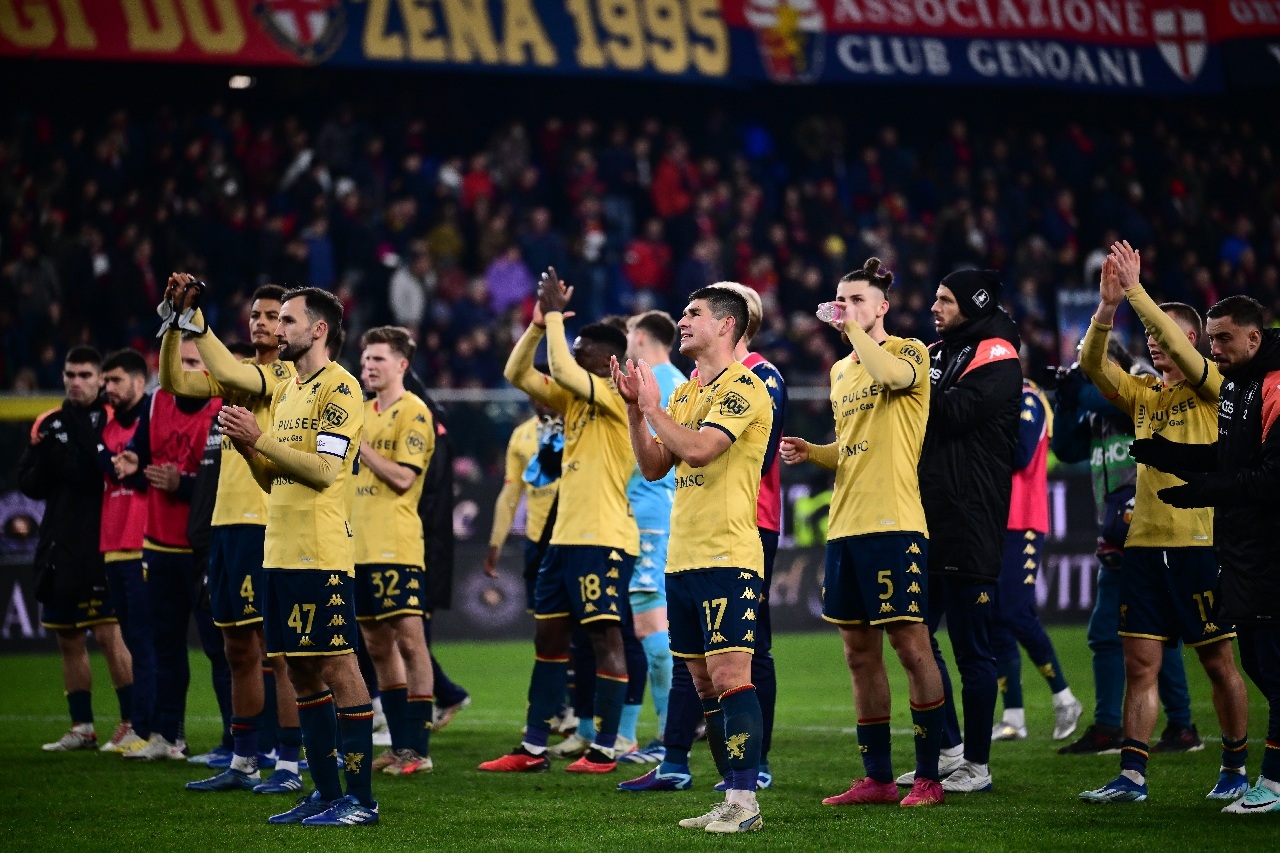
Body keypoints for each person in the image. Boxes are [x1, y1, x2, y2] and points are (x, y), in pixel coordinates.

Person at [1078, 243, 1250, 804]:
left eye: (1164, 333)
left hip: (1198, 543)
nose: (1153, 340)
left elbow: (1175, 340)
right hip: (1145, 547)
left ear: (1192, 340)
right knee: (1140, 662)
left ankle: (1234, 767)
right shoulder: (1146, 395)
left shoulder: (1213, 388)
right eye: (1149, 334)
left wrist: (1136, 292)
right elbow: (1091, 365)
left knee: (1218, 660)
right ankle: (1131, 776)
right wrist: (1107, 309)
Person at [777, 259, 946, 809]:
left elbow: (892, 380)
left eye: (856, 299)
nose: (845, 306)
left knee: (911, 646)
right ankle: (878, 777)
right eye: (840, 298)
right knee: (858, 653)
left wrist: (851, 330)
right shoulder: (840, 372)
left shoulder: (909, 352)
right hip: (845, 527)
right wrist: (815, 451)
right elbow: (852, 449)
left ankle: (928, 776)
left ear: (882, 307)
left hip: (895, 523)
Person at [614, 285, 772, 833]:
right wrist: (639, 411)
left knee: (730, 675)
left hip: (728, 553)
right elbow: (656, 465)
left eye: (694, 313)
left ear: (727, 325)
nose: (682, 320)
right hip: (682, 560)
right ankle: (730, 794)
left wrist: (653, 407)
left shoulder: (744, 388)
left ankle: (746, 802)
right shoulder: (685, 394)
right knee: (704, 683)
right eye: (682, 312)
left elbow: (702, 449)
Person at [219, 287, 377, 827]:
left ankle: (361, 800)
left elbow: (325, 472)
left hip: (321, 553)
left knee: (338, 666)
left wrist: (260, 438)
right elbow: (274, 479)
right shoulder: (286, 391)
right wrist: (247, 445)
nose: (277, 329)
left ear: (319, 330)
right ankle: (326, 794)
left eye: (287, 320)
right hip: (278, 552)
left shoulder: (342, 389)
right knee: (300, 673)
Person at [479, 267, 639, 774]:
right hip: (563, 539)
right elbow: (517, 374)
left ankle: (606, 748)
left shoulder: (617, 395)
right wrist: (534, 325)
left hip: (604, 537)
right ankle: (531, 748)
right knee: (548, 639)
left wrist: (551, 316)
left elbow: (564, 370)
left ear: (608, 359)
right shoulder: (574, 400)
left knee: (604, 638)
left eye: (582, 346)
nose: (571, 350)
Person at [1128, 291, 1280, 813]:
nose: (1213, 349)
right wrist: (1175, 457)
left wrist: (1201, 492)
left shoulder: (1269, 387)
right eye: (1211, 339)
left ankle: (1262, 780)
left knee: (1261, 667)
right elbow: (1226, 455)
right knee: (1262, 665)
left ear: (1253, 338)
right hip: (1238, 548)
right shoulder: (1239, 385)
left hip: (1259, 547)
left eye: (1222, 338)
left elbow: (1269, 477)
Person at [156, 278, 303, 792]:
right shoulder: (239, 378)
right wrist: (175, 326)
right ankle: (243, 761)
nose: (263, 323)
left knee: (278, 652)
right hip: (224, 527)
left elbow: (221, 369)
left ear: (291, 330)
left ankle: (287, 764)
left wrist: (196, 318)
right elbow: (175, 383)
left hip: (266, 523)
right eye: (257, 316)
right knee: (237, 648)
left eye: (274, 316)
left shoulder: (286, 376)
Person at [1051, 340, 1198, 756]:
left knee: (1137, 633)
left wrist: (1079, 386)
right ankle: (1170, 726)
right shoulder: (1097, 406)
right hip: (1116, 534)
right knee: (1139, 634)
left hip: (1147, 526)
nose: (1085, 371)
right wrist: (1065, 401)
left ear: (1112, 362)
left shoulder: (1147, 383)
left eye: (1091, 363)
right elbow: (1066, 447)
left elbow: (1108, 401)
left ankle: (1126, 727)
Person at [914, 268, 1023, 794]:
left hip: (971, 519)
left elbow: (956, 412)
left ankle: (977, 764)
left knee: (971, 649)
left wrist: (913, 383)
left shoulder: (999, 354)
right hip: (929, 515)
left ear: (973, 303)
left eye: (945, 299)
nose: (934, 306)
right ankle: (950, 747)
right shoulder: (943, 351)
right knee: (912, 633)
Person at [19, 346, 135, 753]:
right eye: (70, 374)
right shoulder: (47, 423)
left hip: (101, 542)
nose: (76, 381)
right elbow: (29, 483)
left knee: (108, 634)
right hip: (59, 542)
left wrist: (65, 460)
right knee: (68, 637)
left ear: (100, 378)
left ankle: (130, 722)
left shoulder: (114, 419)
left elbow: (95, 475)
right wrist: (49, 462)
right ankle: (82, 725)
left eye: (86, 374)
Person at [115, 336, 219, 762]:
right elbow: (140, 460)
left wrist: (183, 484)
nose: (184, 370)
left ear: (211, 370)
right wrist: (132, 468)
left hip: (204, 547)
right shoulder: (156, 405)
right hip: (158, 546)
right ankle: (168, 734)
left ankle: (239, 741)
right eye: (178, 362)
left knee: (222, 650)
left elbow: (226, 484)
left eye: (194, 361)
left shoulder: (222, 408)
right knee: (165, 646)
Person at [351, 326, 437, 778]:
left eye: (378, 359)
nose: (368, 367)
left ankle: (419, 749)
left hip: (396, 546)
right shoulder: (359, 411)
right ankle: (401, 744)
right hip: (356, 547)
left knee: (409, 641)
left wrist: (360, 448)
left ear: (402, 364)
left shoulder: (414, 412)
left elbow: (404, 478)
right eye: (365, 360)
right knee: (376, 645)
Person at [991, 354, 1083, 743]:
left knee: (1015, 611)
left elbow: (1021, 454)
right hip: (993, 523)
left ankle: (1064, 697)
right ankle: (1014, 716)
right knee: (995, 618)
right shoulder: (1001, 402)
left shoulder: (1028, 399)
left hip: (1022, 521)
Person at [616, 310, 685, 761]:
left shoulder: (656, 381)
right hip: (653, 510)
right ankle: (638, 734)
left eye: (627, 334)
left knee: (649, 624)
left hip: (648, 513)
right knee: (638, 625)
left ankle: (667, 737)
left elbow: (641, 452)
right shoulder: (679, 379)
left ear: (639, 337)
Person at [96, 348, 153, 754]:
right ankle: (139, 725)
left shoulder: (151, 420)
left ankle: (155, 729)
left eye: (115, 380)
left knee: (147, 642)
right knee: (133, 640)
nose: (107, 388)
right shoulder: (108, 428)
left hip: (142, 544)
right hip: (112, 545)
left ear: (138, 381)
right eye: (107, 381)